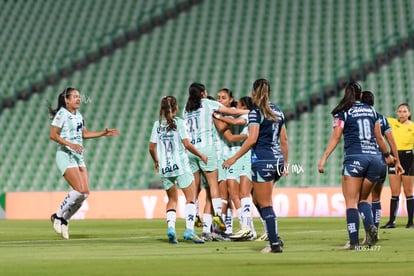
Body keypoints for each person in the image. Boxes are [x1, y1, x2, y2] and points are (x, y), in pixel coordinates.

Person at [317, 82, 402, 250]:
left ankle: (354, 242)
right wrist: (388, 157)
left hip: (355, 158)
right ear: (361, 95)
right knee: (364, 199)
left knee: (351, 201)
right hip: (376, 159)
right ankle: (371, 227)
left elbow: (336, 137)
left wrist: (324, 157)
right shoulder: (372, 111)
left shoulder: (342, 113)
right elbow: (380, 138)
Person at [222, 78, 288, 253]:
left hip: (262, 161)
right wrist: (286, 163)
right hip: (277, 162)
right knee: (258, 199)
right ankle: (274, 235)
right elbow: (284, 140)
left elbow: (252, 139)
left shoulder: (255, 112)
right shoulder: (278, 111)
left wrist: (234, 158)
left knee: (265, 203)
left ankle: (274, 243)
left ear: (253, 93)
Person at [48, 87, 119, 239]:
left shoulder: (79, 115)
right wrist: (70, 144)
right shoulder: (62, 114)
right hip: (65, 154)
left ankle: (65, 221)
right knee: (79, 190)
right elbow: (53, 135)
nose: (78, 99)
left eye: (79, 96)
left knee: (85, 193)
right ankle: (58, 216)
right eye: (74, 96)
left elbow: (84, 134)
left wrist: (103, 133)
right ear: (67, 100)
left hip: (78, 156)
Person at [183, 82, 249, 237]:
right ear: (203, 93)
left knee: (197, 189)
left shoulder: (187, 108)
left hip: (191, 150)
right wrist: (250, 112)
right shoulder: (208, 104)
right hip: (208, 150)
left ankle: (198, 223)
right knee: (215, 188)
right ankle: (218, 216)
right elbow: (228, 114)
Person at [149, 96, 206, 244]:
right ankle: (189, 230)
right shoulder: (179, 123)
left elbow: (151, 147)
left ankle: (171, 229)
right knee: (191, 198)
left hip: (165, 167)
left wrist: (156, 161)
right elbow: (186, 144)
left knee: (172, 199)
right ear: (175, 108)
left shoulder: (157, 125)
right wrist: (201, 154)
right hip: (180, 166)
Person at [214, 96, 258, 241]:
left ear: (244, 107)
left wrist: (217, 115)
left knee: (243, 194)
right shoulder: (238, 113)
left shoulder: (247, 115)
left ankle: (248, 228)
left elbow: (234, 122)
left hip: (243, 155)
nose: (237, 107)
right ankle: (245, 227)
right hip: (234, 155)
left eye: (239, 105)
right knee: (234, 193)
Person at [360, 91, 398, 239]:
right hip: (381, 162)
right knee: (376, 197)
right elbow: (391, 141)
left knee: (363, 198)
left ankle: (368, 231)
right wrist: (396, 160)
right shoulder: (381, 118)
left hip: (365, 160)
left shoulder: (359, 116)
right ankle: (375, 230)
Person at [381, 103, 414, 229]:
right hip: (394, 157)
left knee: (408, 191)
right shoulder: (391, 122)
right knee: (394, 192)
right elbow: (377, 119)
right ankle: (391, 222)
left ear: (409, 113)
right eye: (399, 111)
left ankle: (410, 221)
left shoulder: (413, 127)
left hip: (408, 158)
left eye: (404, 111)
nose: (402, 113)